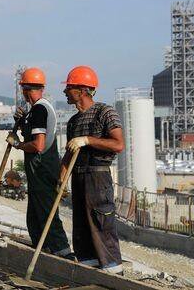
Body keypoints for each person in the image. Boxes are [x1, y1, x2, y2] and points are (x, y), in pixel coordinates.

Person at [61, 65, 125, 274]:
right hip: (78, 176)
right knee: (80, 224)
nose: (65, 92)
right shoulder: (73, 122)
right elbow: (69, 154)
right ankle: (88, 267)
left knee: (101, 222)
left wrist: (87, 140)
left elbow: (118, 144)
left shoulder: (105, 112)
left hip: (98, 177)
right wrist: (61, 181)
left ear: (81, 90)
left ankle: (113, 271)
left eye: (68, 88)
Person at [5, 67, 73, 259]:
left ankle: (63, 253)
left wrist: (17, 144)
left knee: (46, 213)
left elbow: (38, 145)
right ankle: (42, 251)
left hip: (43, 170)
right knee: (34, 217)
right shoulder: (37, 110)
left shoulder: (39, 110)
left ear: (26, 90)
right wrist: (22, 120)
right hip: (39, 171)